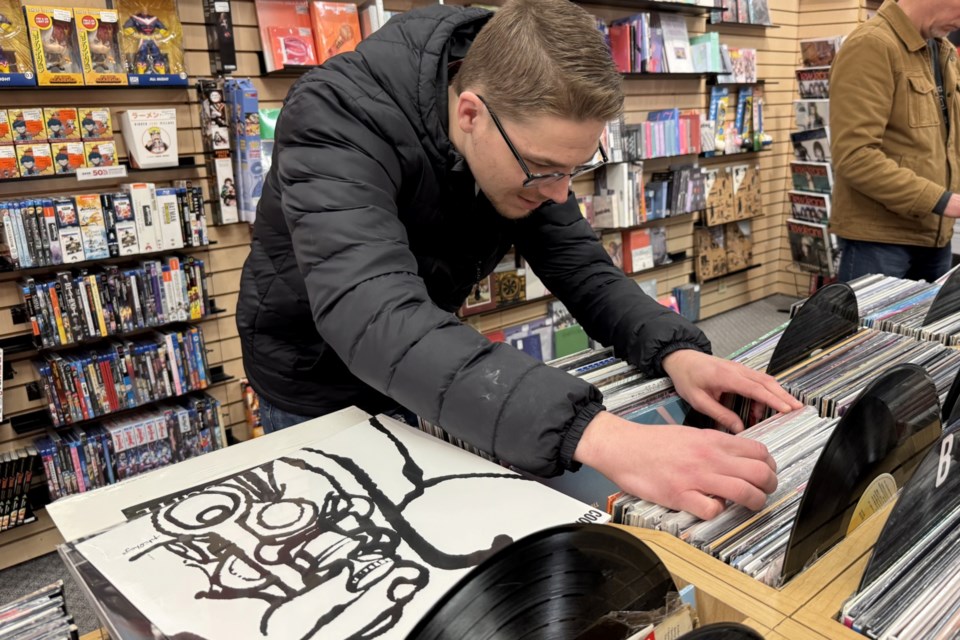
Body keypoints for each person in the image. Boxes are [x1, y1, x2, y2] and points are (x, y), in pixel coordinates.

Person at [237, 0, 802, 521]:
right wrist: (603, 437)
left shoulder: (520, 131)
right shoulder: (335, 115)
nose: (559, 194)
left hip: (429, 359)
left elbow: (579, 265)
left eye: (572, 170)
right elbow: (372, 314)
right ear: (470, 114)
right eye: (544, 170)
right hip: (314, 376)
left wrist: (674, 349)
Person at [830, 0, 960, 282]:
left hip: (935, 235)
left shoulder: (943, 50)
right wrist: (941, 201)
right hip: (879, 239)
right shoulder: (872, 45)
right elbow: (854, 155)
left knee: (927, 327)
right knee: (864, 327)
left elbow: (946, 143)